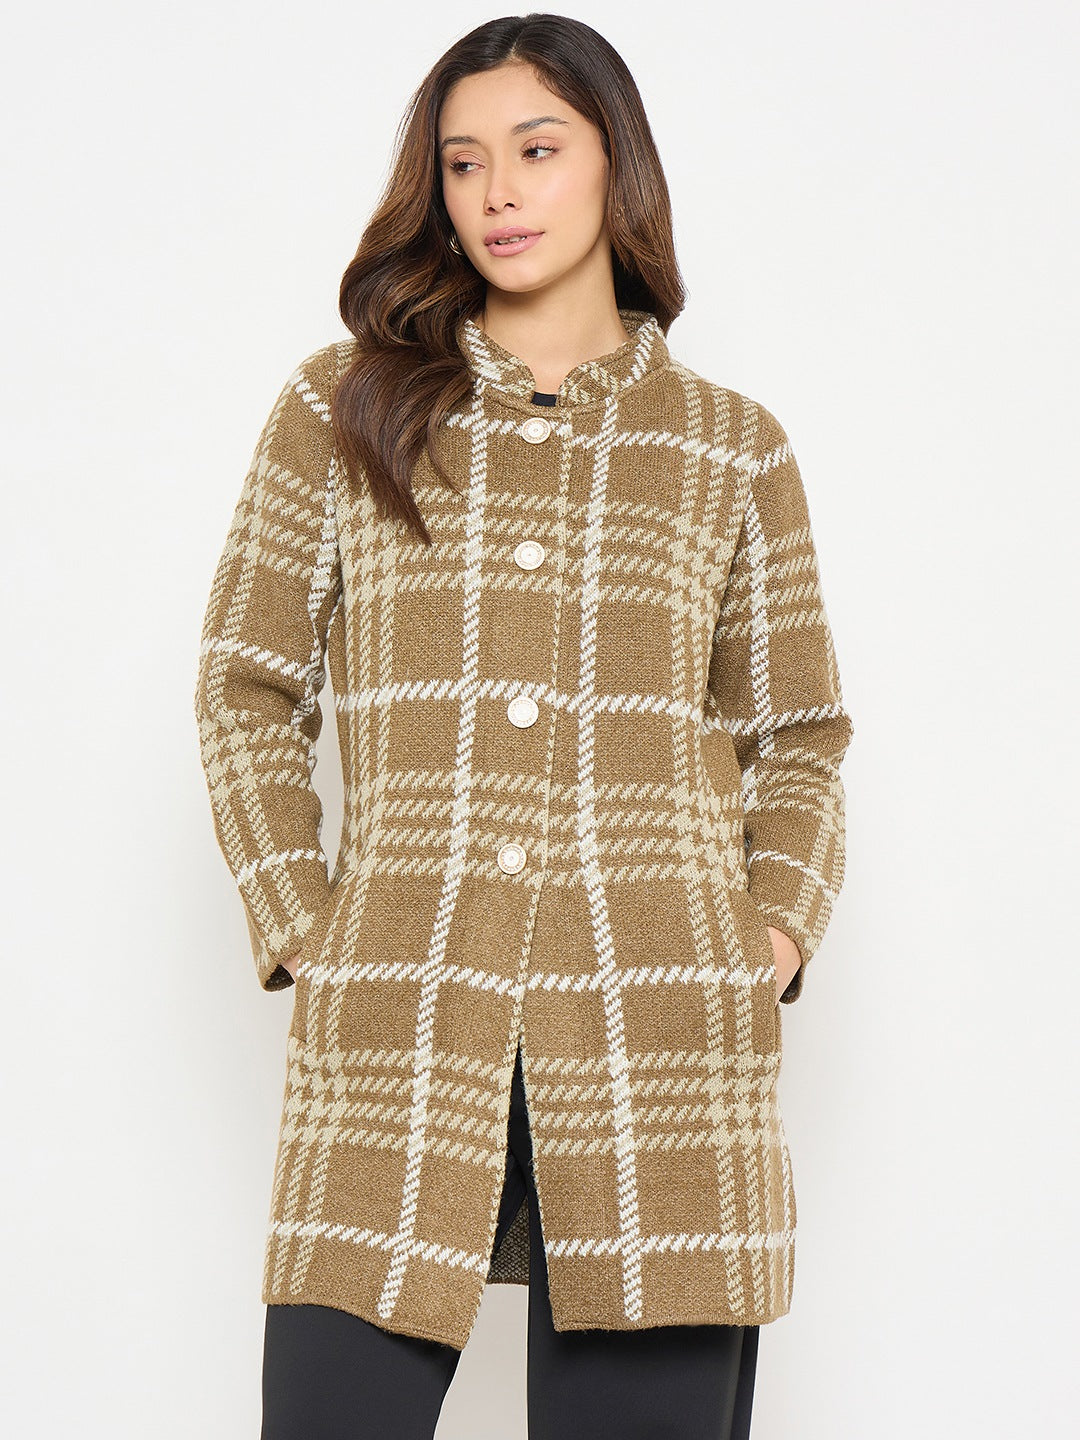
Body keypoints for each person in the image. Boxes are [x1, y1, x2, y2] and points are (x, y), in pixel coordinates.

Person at [193, 13, 854, 1439]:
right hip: (400, 1017)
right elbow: (246, 681)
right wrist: (307, 921)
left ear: (618, 167)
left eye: (538, 150)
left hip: (662, 1036)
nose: (497, 192)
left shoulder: (732, 448)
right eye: (463, 161)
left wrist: (772, 932)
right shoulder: (342, 409)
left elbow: (800, 729)